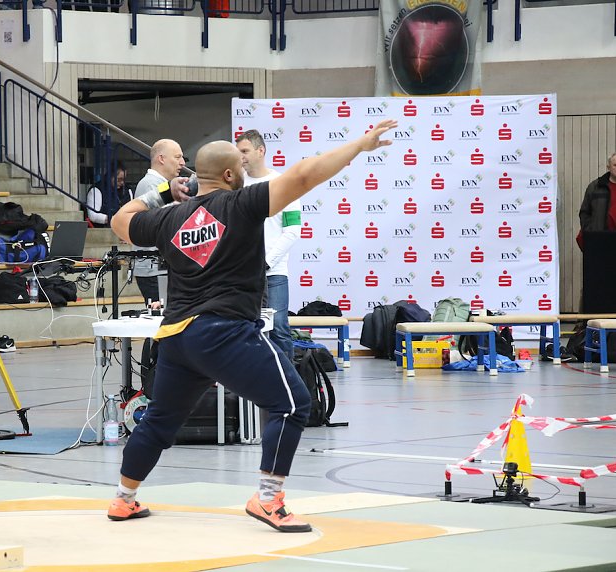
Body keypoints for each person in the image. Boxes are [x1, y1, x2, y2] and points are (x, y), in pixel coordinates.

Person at [107, 119, 398, 532]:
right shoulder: (240, 204)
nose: (244, 174)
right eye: (239, 170)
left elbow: (121, 220)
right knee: (294, 404)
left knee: (158, 422)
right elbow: (303, 174)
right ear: (229, 175)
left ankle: (123, 499)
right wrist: (358, 145)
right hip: (223, 331)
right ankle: (268, 499)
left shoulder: (169, 218)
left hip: (177, 337)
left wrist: (161, 193)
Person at [236, 129, 301, 359]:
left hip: (274, 274)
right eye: (238, 152)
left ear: (261, 150)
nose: (240, 156)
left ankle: (289, 389)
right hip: (240, 274)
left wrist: (266, 262)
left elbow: (293, 230)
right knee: (242, 331)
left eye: (245, 151)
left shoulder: (282, 183)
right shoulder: (235, 185)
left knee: (280, 330)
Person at [132, 139, 185, 305]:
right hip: (153, 268)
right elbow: (167, 224)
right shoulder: (150, 185)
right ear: (161, 159)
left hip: (159, 266)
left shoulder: (162, 185)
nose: (182, 163)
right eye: (177, 157)